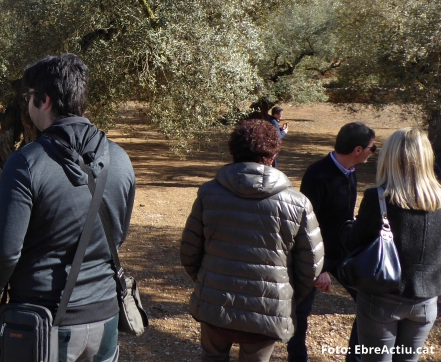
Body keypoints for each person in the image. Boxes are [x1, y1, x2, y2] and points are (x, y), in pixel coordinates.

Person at [0, 53, 136, 362]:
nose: (27, 104)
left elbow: (6, 249)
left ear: (44, 100)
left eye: (29, 97)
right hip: (105, 314)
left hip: (43, 321)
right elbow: (118, 233)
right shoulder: (121, 159)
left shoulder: (25, 163)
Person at [180, 119, 323, 362]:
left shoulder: (208, 194)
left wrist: (209, 282)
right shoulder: (298, 203)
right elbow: (310, 265)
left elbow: (189, 252)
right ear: (273, 153)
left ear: (233, 152)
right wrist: (285, 295)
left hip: (216, 304)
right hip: (267, 312)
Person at [342, 128, 441, 362]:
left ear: (389, 158)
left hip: (382, 298)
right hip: (427, 300)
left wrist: (349, 225)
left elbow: (353, 242)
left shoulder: (379, 199)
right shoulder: (438, 200)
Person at [288, 122, 377, 362]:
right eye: (373, 147)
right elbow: (305, 226)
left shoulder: (351, 171)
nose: (374, 151)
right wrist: (320, 268)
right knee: (301, 311)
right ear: (357, 149)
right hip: (314, 255)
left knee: (368, 303)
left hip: (343, 253)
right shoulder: (317, 174)